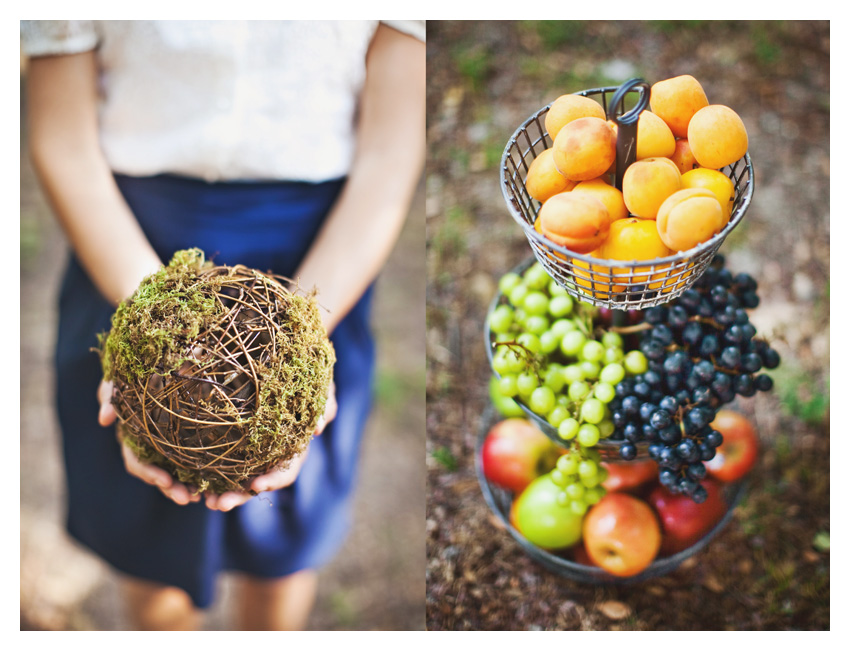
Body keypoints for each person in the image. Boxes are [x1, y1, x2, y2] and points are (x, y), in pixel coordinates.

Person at [22, 19, 425, 630]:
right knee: (149, 555)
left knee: (282, 552)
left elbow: (391, 154)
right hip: (127, 248)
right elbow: (61, 137)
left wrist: (294, 338)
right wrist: (150, 329)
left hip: (316, 268)